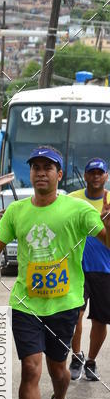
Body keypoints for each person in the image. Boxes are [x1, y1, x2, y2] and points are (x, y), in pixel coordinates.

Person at [0, 145, 109, 399]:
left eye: (47, 167)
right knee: (31, 369)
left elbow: (107, 240)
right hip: (26, 304)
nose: (40, 172)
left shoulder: (78, 211)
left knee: (58, 371)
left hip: (64, 305)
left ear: (59, 174)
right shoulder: (17, 211)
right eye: (35, 166)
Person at [68, 158, 110, 381]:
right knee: (76, 315)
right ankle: (76, 357)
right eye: (91, 172)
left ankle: (91, 361)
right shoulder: (72, 199)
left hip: (105, 270)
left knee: (100, 321)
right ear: (85, 176)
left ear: (106, 176)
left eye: (99, 173)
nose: (95, 176)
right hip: (77, 268)